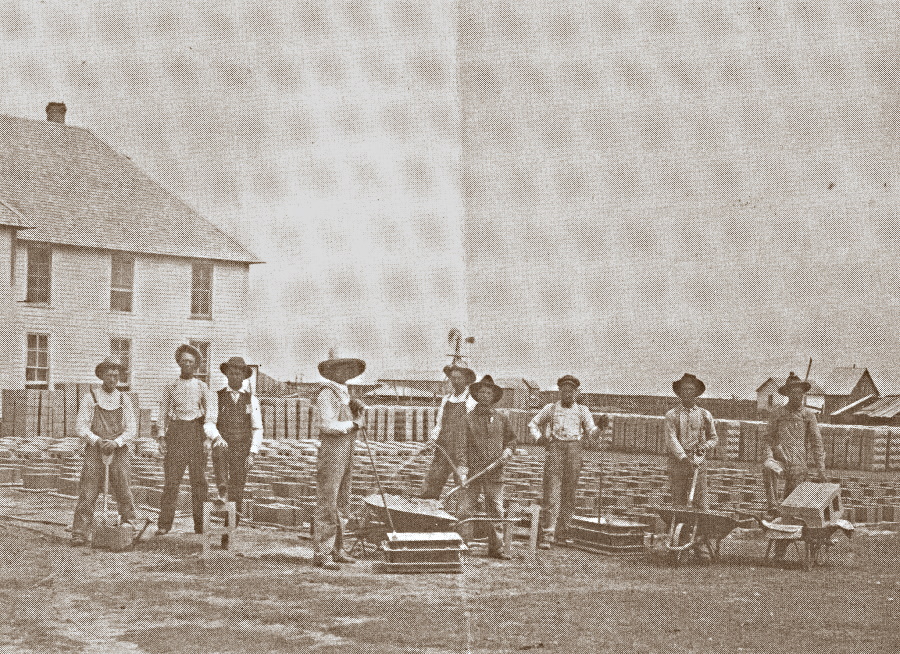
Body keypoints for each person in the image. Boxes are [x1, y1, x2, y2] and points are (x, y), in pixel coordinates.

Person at [155, 344, 226, 536]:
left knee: (199, 482)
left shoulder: (202, 387)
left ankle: (201, 525)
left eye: (191, 362)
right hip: (176, 433)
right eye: (184, 361)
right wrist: (161, 436)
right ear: (179, 363)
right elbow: (163, 413)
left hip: (196, 432)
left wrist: (206, 439)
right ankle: (164, 524)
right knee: (171, 482)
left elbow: (210, 414)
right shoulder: (170, 387)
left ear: (196, 366)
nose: (187, 364)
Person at [529, 374, 603, 549]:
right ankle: (548, 534)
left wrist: (600, 427)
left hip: (575, 450)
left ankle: (563, 532)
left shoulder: (583, 410)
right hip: (556, 449)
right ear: (560, 391)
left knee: (569, 493)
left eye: (571, 391)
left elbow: (591, 434)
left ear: (576, 392)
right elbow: (533, 423)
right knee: (552, 492)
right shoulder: (551, 408)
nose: (567, 394)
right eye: (564, 391)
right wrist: (539, 438)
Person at [70, 357, 138, 546]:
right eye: (109, 374)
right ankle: (80, 532)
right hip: (95, 449)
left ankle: (129, 525)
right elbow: (80, 426)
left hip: (119, 450)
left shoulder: (125, 399)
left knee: (123, 487)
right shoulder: (90, 397)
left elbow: (131, 428)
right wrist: (97, 440)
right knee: (88, 491)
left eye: (116, 375)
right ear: (101, 375)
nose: (113, 378)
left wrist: (116, 442)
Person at [313, 354, 367, 570]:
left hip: (348, 450)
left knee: (343, 500)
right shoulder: (327, 395)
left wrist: (356, 409)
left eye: (349, 370)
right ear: (332, 373)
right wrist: (354, 424)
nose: (345, 373)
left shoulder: (346, 396)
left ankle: (338, 549)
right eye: (341, 369)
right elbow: (326, 425)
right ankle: (322, 552)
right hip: (332, 451)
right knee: (328, 500)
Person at [457, 375, 517, 560]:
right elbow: (461, 445)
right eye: (481, 392)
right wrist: (462, 468)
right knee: (466, 510)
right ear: (476, 395)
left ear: (493, 396)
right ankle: (462, 545)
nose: (484, 395)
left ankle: (497, 548)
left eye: (488, 392)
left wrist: (508, 451)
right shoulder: (467, 419)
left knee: (496, 510)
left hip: (495, 472)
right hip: (473, 471)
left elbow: (512, 439)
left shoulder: (502, 418)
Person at [764, 372, 828, 517]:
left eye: (800, 393)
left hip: (799, 465)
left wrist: (821, 469)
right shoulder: (777, 413)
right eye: (793, 393)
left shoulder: (808, 415)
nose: (797, 396)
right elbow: (768, 438)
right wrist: (769, 456)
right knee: (768, 468)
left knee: (790, 508)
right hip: (780, 461)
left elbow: (816, 442)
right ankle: (772, 506)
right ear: (787, 394)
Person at [211, 356, 263, 526]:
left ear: (243, 376)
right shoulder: (217, 397)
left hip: (242, 449)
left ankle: (230, 530)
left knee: (238, 488)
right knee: (223, 474)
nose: (235, 377)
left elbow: (257, 428)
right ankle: (222, 491)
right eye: (231, 374)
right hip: (223, 446)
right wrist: (216, 437)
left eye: (238, 374)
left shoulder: (252, 400)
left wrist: (253, 453)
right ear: (227, 375)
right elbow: (210, 423)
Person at [420, 364, 477, 500]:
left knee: (463, 485)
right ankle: (427, 512)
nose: (455, 381)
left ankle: (463, 517)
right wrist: (432, 439)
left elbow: (473, 427)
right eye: (453, 378)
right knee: (433, 481)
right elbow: (439, 424)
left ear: (466, 380)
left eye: (459, 378)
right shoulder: (446, 399)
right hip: (443, 447)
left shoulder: (471, 400)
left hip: (463, 450)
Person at [664, 373, 718, 511]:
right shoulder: (672, 415)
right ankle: (678, 530)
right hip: (678, 462)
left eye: (690, 390)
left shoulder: (704, 414)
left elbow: (714, 437)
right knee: (678, 501)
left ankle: (700, 531)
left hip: (698, 462)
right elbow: (671, 438)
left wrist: (704, 446)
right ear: (679, 393)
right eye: (684, 390)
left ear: (696, 393)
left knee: (700, 501)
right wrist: (683, 457)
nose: (687, 393)